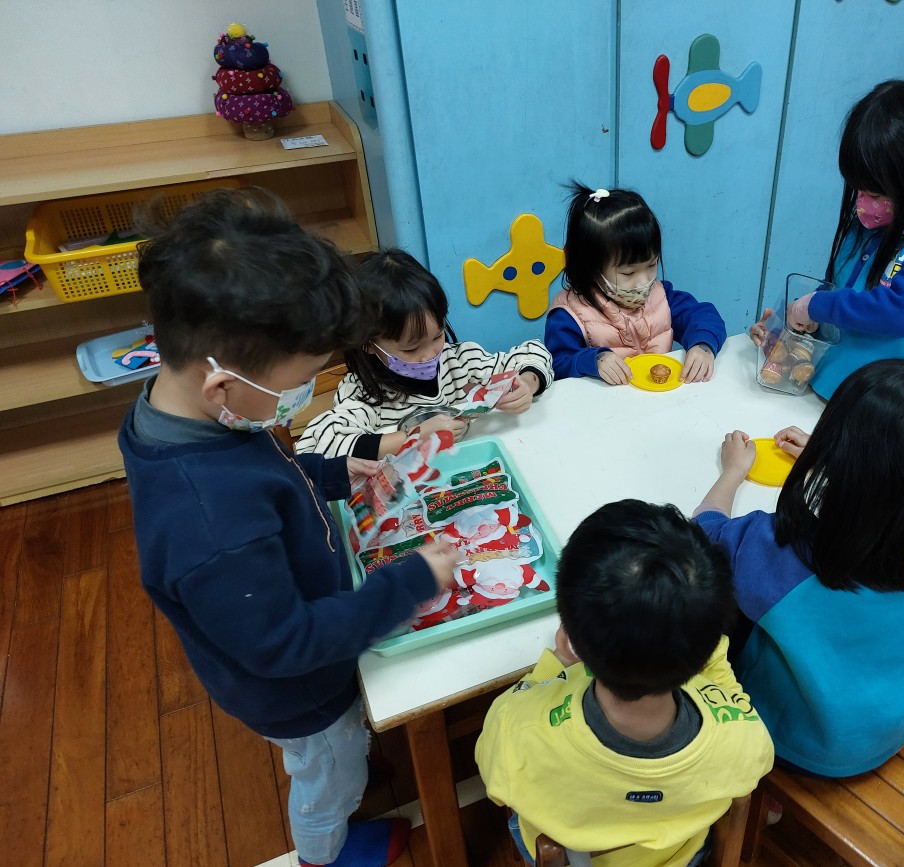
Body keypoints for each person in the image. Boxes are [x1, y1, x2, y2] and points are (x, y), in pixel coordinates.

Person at [118, 189, 457, 867]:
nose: (300, 399)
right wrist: (410, 582)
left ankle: (341, 770)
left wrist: (334, 471)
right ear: (220, 384)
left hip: (297, 639)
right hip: (299, 692)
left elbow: (266, 476)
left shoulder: (187, 416)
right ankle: (323, 852)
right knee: (328, 777)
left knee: (338, 753)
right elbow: (287, 642)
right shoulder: (210, 525)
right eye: (298, 383)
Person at [694, 359, 904, 778]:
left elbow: (704, 535)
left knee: (706, 611)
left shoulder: (792, 554)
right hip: (887, 734)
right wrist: (847, 465)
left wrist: (733, 472)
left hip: (783, 740)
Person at [476, 500, 774, 867]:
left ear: (571, 635)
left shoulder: (517, 728)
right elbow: (732, 706)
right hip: (679, 855)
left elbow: (495, 781)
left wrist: (556, 665)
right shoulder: (744, 739)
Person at [750, 79, 904, 400]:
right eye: (859, 187)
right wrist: (786, 329)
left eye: (876, 192)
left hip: (876, 408)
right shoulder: (873, 222)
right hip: (821, 389)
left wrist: (817, 306)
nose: (863, 201)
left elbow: (898, 311)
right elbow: (839, 295)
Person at [297, 249, 554, 459]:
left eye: (437, 336)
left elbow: (532, 352)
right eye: (411, 348)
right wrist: (411, 438)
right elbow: (321, 444)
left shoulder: (459, 361)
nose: (431, 354)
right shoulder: (364, 392)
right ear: (367, 343)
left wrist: (527, 382)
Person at [545, 183, 726, 385]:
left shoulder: (661, 296)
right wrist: (593, 360)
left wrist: (703, 345)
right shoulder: (569, 315)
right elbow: (556, 365)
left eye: (651, 265)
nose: (644, 281)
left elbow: (704, 316)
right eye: (628, 272)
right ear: (590, 268)